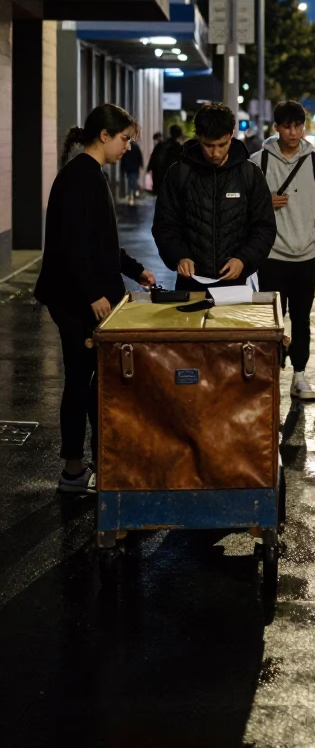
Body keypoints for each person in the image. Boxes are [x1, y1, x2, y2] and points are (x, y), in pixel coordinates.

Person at [35, 104, 156, 492]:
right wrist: (93, 294)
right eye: (124, 139)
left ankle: (93, 463)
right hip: (75, 301)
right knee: (82, 380)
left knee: (92, 381)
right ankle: (75, 469)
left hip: (81, 297)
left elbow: (101, 244)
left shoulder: (90, 175)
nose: (127, 147)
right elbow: (74, 246)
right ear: (104, 136)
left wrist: (135, 270)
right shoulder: (80, 178)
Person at [250, 100, 315, 401]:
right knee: (271, 320)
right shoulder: (257, 162)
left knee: (302, 318)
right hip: (270, 256)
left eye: (298, 126)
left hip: (306, 256)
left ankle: (299, 375)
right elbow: (243, 208)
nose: (293, 132)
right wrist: (264, 200)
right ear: (276, 128)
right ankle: (271, 375)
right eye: (287, 126)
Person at [152, 102, 275, 291]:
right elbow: (165, 225)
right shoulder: (179, 173)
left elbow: (264, 227)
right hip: (191, 285)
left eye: (222, 144)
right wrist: (180, 256)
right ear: (198, 137)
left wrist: (244, 259)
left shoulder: (250, 173)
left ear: (231, 135)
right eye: (208, 145)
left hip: (237, 286)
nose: (215, 153)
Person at [147, 123, 183, 194]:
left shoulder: (162, 145)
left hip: (161, 176)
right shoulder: (179, 148)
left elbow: (154, 158)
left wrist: (150, 167)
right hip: (170, 178)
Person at [120, 137, 144, 206]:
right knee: (134, 181)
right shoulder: (136, 147)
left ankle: (131, 196)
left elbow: (123, 158)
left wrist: (122, 168)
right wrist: (141, 165)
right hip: (135, 168)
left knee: (130, 182)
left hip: (129, 169)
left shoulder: (127, 148)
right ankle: (133, 195)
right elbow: (140, 157)